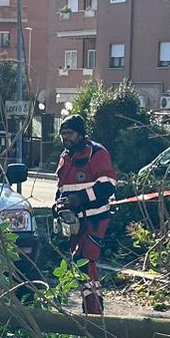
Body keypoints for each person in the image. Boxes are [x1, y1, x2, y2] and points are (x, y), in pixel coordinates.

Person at [53, 114, 116, 315]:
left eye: (69, 133)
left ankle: (94, 311)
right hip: (72, 221)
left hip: (95, 217)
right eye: (63, 134)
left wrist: (79, 199)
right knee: (78, 261)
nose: (66, 138)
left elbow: (108, 185)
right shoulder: (65, 156)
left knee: (86, 259)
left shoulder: (96, 153)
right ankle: (91, 305)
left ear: (80, 134)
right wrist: (57, 206)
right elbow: (61, 187)